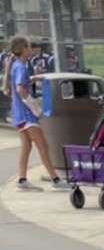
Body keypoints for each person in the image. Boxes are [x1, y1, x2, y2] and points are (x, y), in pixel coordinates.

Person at [2, 35, 63, 191]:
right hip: (27, 115)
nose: (32, 49)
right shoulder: (21, 67)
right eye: (29, 47)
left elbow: (19, 84)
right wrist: (34, 106)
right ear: (23, 49)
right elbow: (20, 89)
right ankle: (56, 180)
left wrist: (33, 79)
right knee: (43, 146)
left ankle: (22, 180)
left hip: (18, 114)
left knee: (27, 147)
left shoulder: (16, 65)